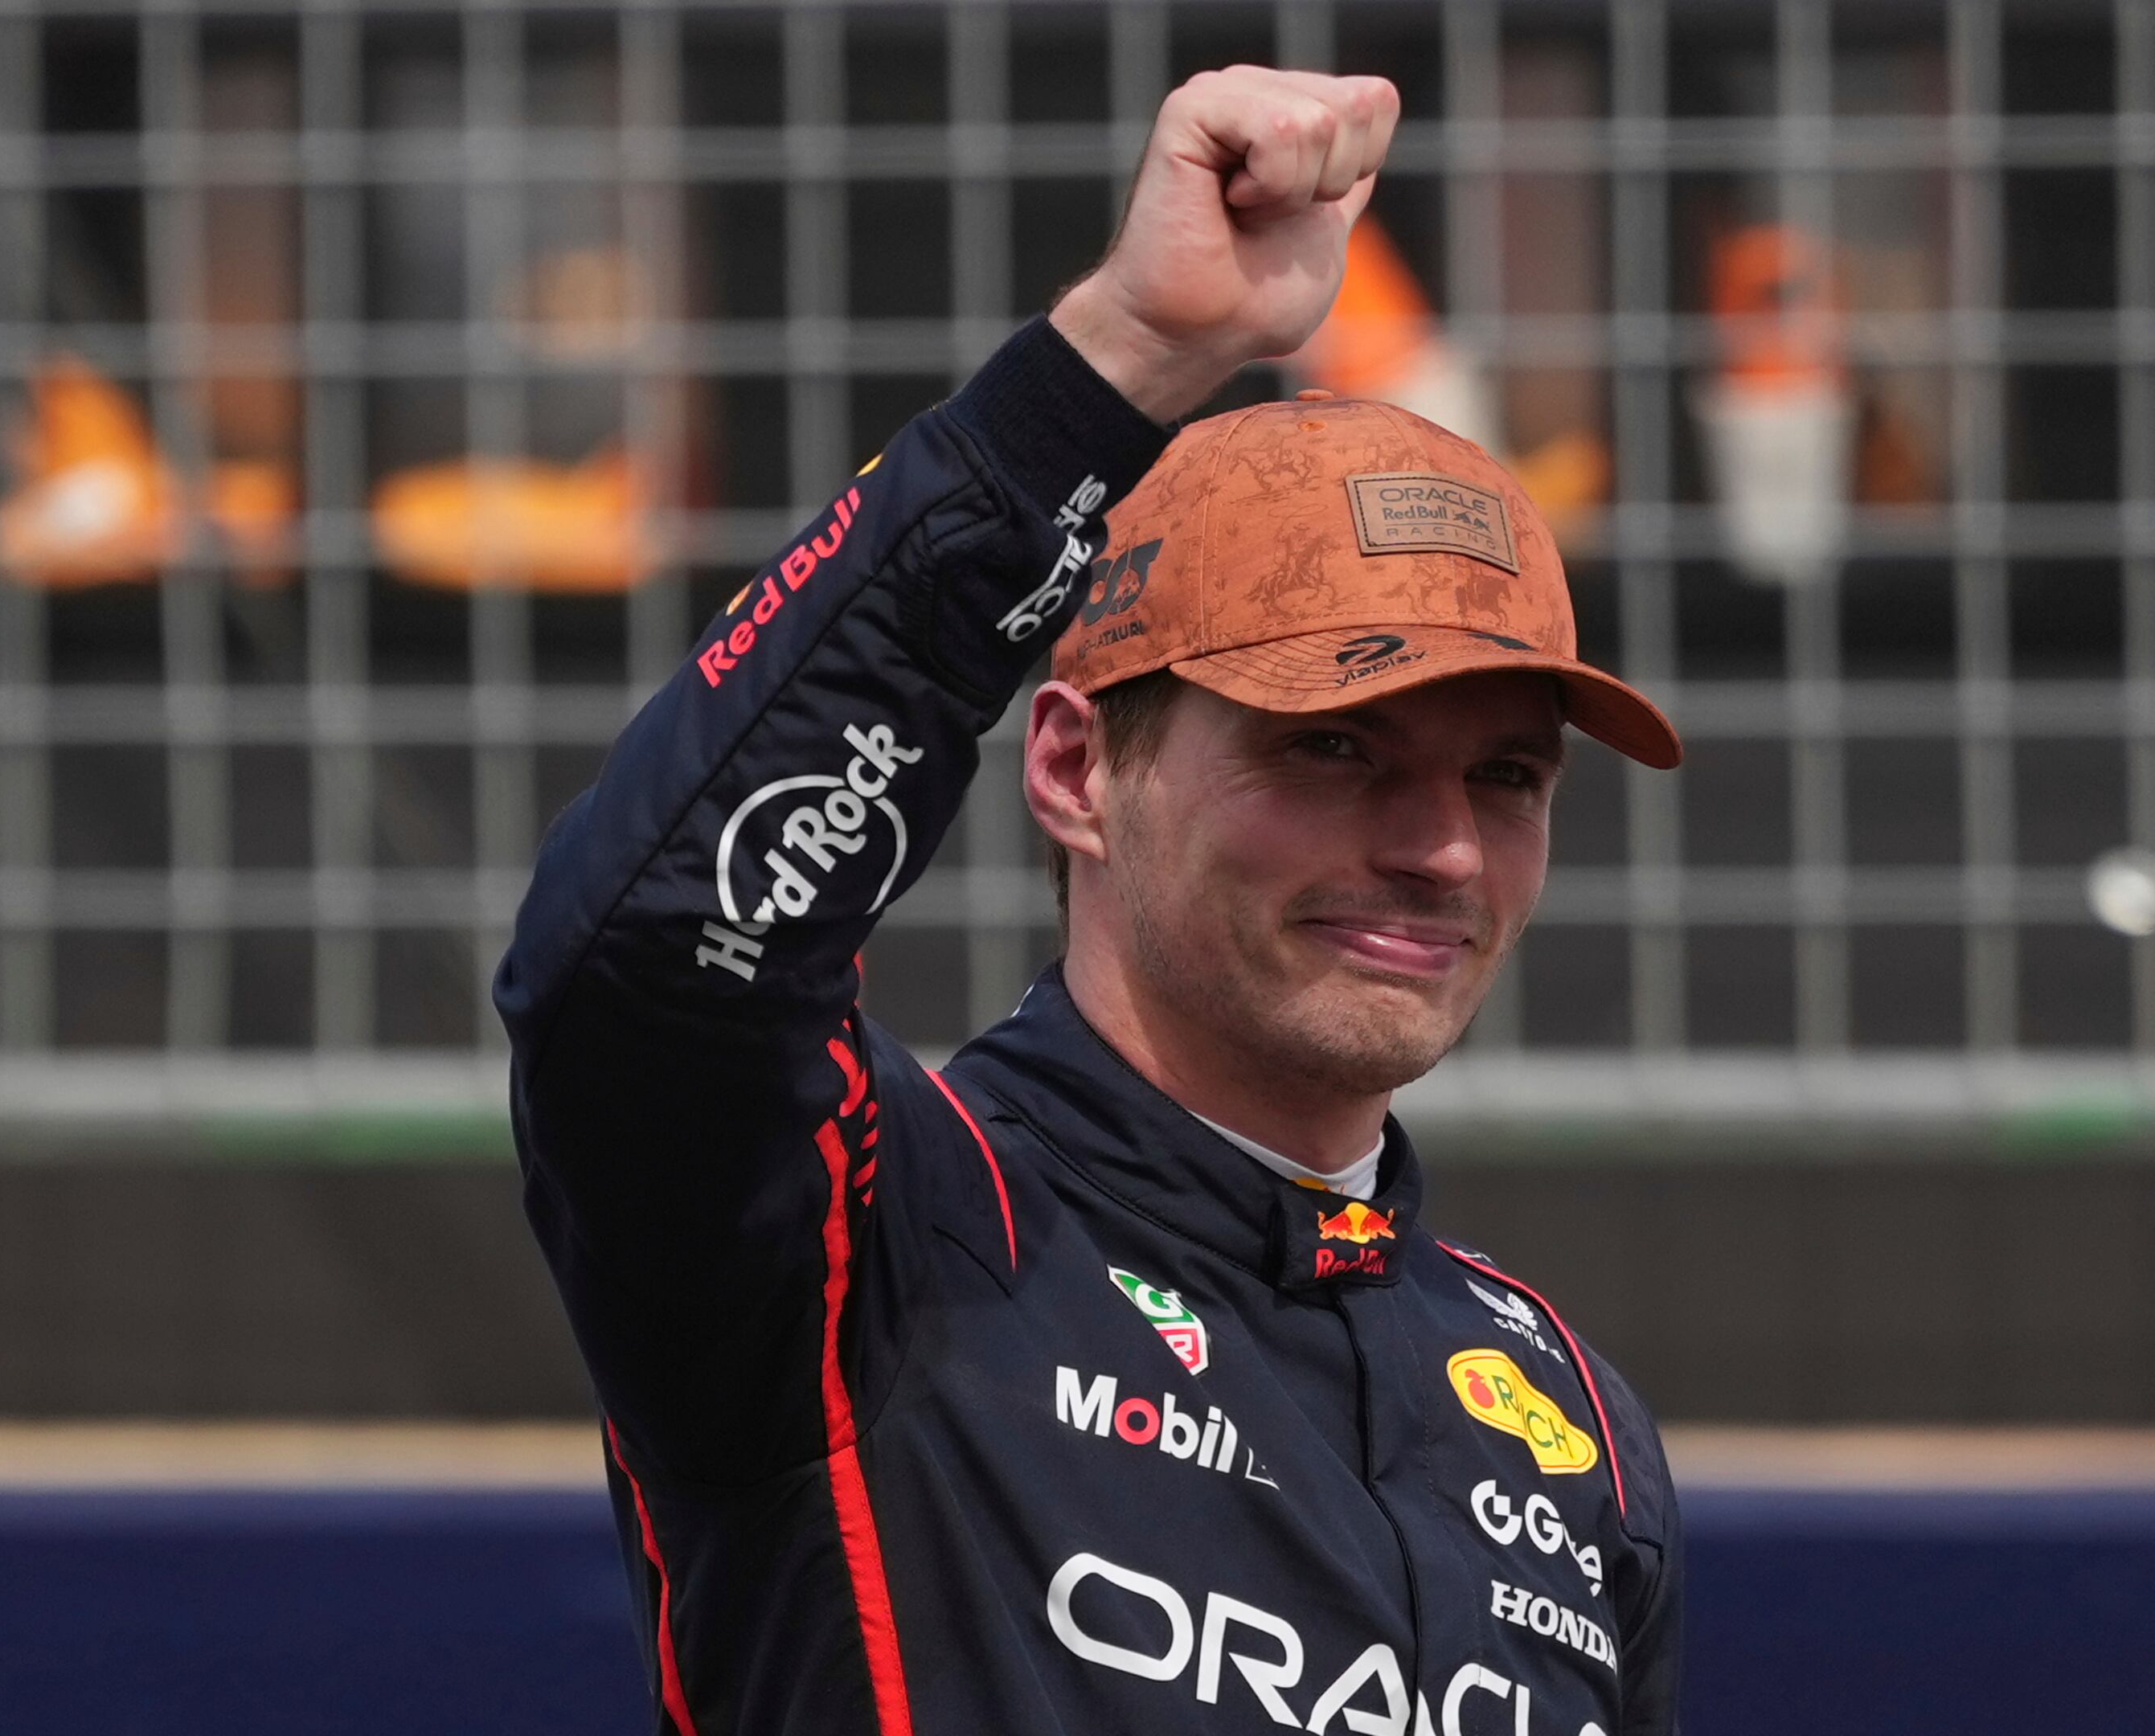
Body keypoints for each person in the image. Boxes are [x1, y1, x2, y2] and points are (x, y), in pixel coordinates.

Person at [498, 66, 1686, 1736]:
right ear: (1071, 771)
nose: (1441, 850)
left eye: (1505, 777)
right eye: (1335, 750)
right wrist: (1123, 356)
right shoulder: (872, 1230)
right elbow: (642, 960)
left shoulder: (1565, 1416)